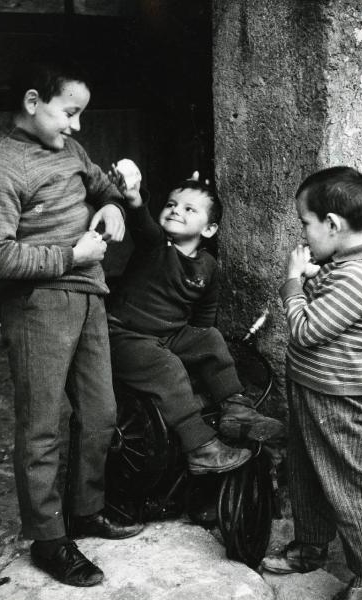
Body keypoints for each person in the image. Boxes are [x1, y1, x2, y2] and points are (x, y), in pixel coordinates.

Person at [0, 58, 144, 588]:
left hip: (91, 292)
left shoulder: (67, 148)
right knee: (43, 423)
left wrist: (114, 206)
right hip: (41, 304)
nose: (77, 126)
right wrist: (72, 254)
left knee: (100, 411)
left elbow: (101, 187)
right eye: (69, 113)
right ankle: (49, 538)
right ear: (32, 102)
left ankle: (86, 510)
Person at [105, 161, 284, 476]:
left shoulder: (208, 266)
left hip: (168, 335)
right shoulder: (155, 246)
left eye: (190, 209)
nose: (176, 211)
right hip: (125, 335)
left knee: (211, 338)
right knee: (167, 366)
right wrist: (133, 197)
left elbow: (205, 314)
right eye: (172, 204)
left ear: (209, 229)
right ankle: (200, 448)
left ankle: (236, 409)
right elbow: (141, 222)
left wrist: (202, 348)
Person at [261, 167, 362, 600]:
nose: (303, 234)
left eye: (305, 223)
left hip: (337, 397)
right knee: (306, 472)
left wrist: (292, 281)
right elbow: (332, 299)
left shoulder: (358, 276)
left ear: (332, 224)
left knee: (348, 485)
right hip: (313, 386)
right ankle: (310, 546)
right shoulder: (351, 259)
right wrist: (315, 278)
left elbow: (307, 331)